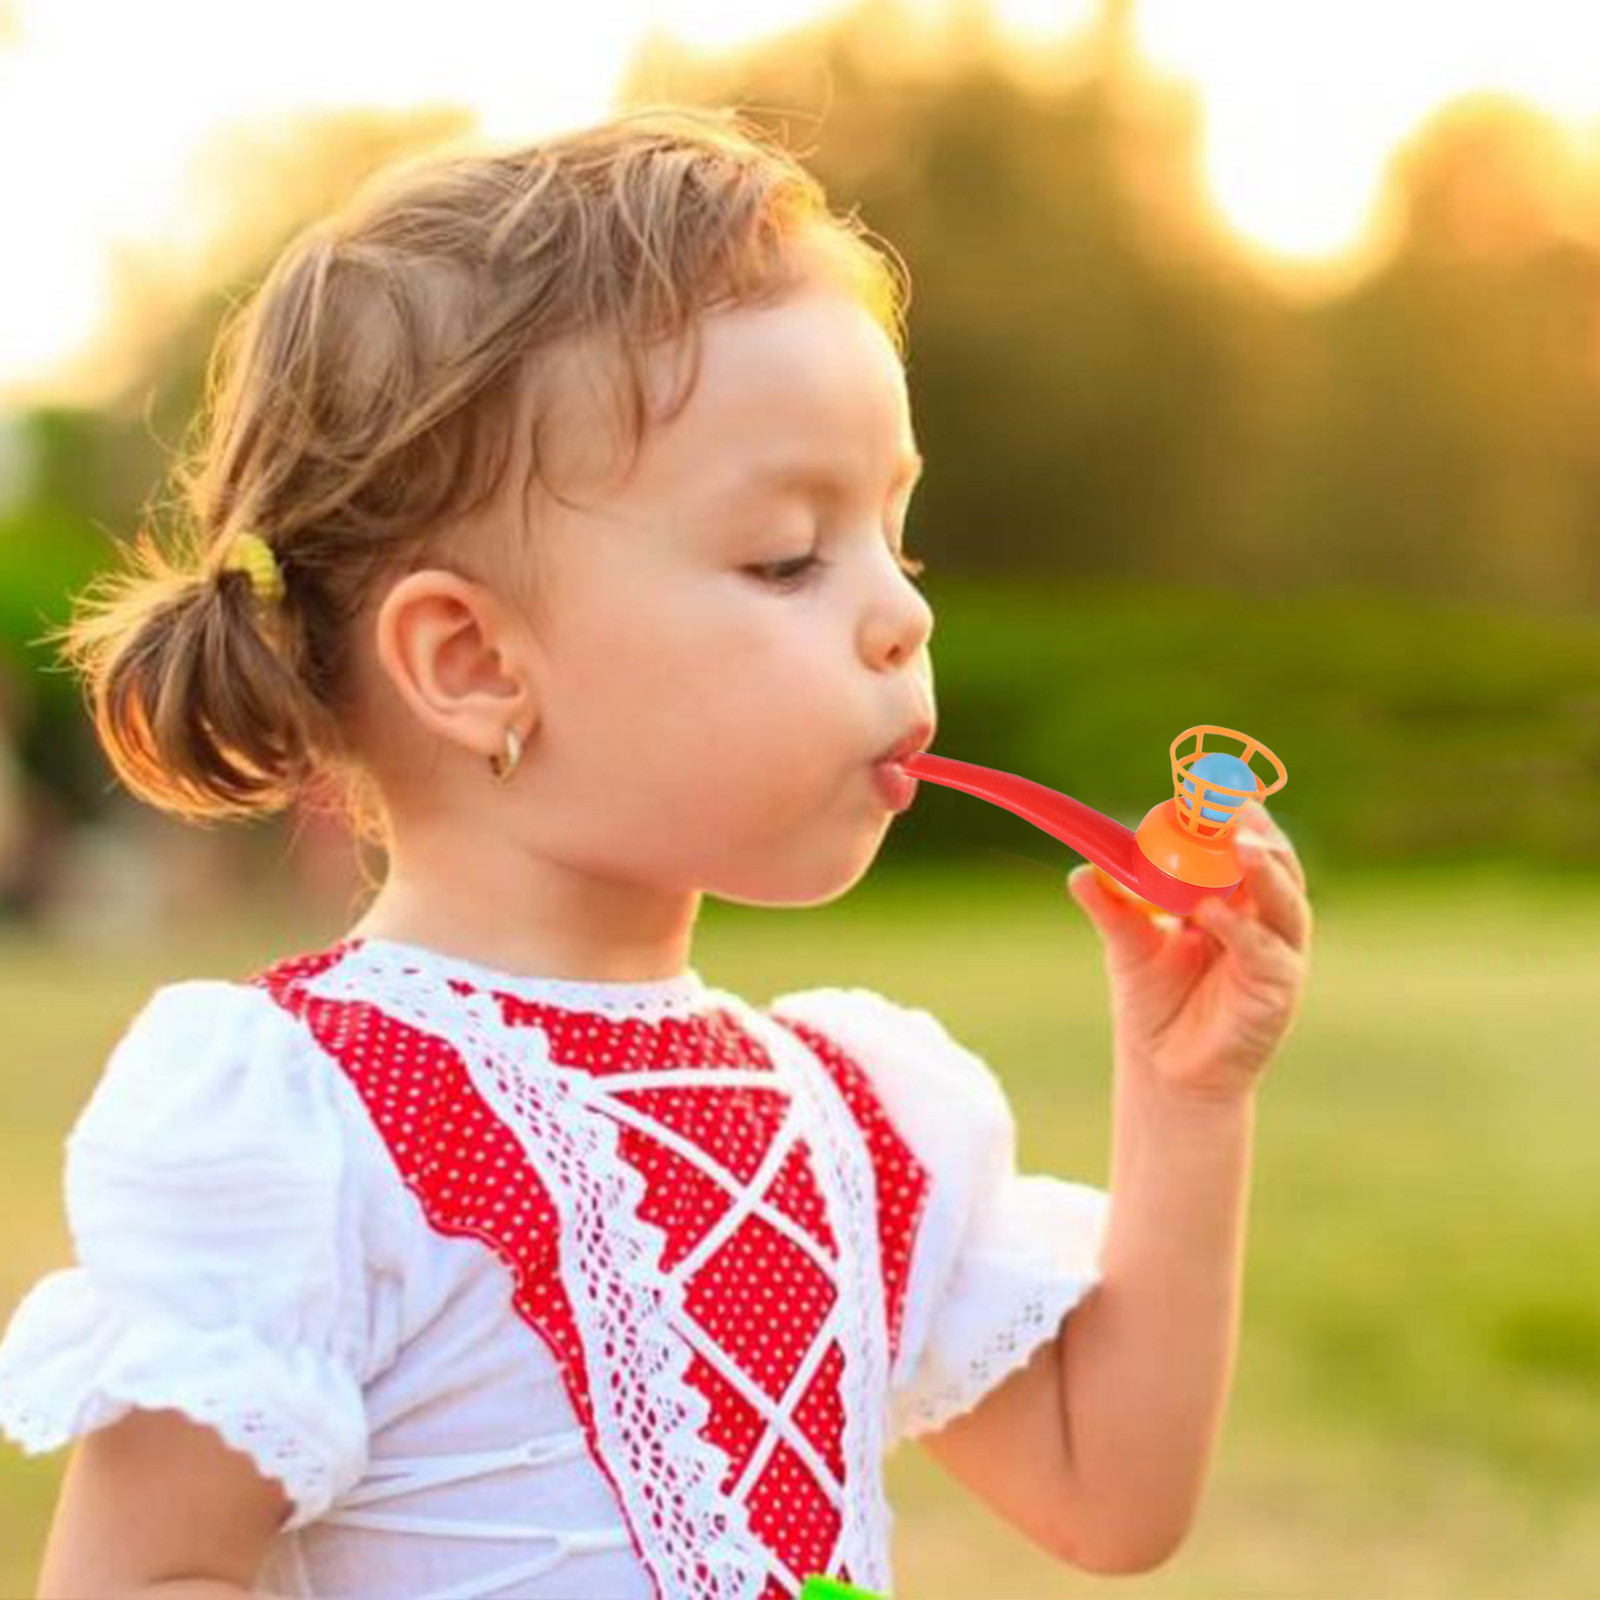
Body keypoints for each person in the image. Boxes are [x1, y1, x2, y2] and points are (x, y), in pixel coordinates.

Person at [0, 105, 1312, 1600]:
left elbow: (1111, 1494)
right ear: (475, 662)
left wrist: (1190, 1094)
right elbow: (145, 1575)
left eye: (900, 538)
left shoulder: (860, 1121)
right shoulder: (312, 1126)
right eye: (787, 558)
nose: (903, 613)